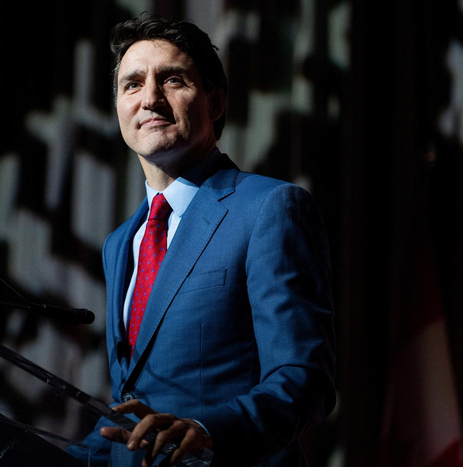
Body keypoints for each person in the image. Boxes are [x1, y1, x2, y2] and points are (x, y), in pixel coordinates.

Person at [86, 15, 336, 467]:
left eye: (172, 80)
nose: (150, 99)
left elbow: (305, 381)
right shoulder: (120, 244)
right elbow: (132, 407)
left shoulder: (270, 208)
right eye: (132, 85)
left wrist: (207, 431)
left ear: (215, 102)